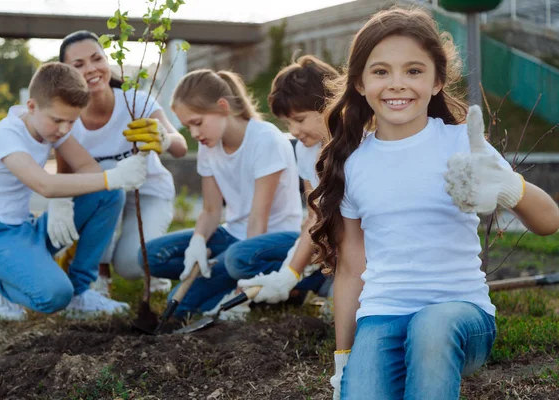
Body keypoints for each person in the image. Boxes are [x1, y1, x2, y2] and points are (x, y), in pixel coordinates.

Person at [308, 7, 559, 400]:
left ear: (437, 81)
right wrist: (344, 356)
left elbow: (549, 221)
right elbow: (352, 265)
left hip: (460, 314)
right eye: (380, 72)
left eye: (413, 71)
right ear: (359, 82)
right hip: (383, 316)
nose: (397, 84)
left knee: (431, 326)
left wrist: (509, 187)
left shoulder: (462, 145)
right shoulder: (354, 163)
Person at [0, 62, 151, 320]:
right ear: (31, 106)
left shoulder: (50, 129)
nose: (63, 129)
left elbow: (88, 167)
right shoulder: (6, 137)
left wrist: (70, 198)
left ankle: (80, 292)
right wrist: (110, 178)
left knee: (109, 194)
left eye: (72, 122)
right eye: (57, 120)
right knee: (54, 296)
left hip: (26, 230)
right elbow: (44, 184)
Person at [141, 69, 303, 319]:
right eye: (187, 127)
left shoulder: (265, 139)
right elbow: (211, 210)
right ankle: (225, 276)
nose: (194, 134)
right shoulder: (209, 146)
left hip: (271, 241)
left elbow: (258, 220)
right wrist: (197, 241)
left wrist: (241, 283)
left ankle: (293, 284)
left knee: (183, 309)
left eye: (197, 122)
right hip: (232, 236)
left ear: (223, 106)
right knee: (149, 256)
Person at [56, 30, 188, 295]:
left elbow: (181, 147)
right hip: (104, 199)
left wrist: (163, 138)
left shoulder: (135, 101)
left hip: (148, 193)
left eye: (96, 59)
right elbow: (66, 180)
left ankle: (160, 268)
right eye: (78, 65)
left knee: (131, 264)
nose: (91, 69)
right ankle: (100, 276)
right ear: (66, 74)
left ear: (107, 61)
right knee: (105, 174)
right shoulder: (66, 121)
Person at [237, 55, 339, 308]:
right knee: (239, 258)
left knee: (343, 301)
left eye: (300, 119)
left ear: (331, 105)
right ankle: (312, 281)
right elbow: (313, 216)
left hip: (359, 249)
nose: (293, 131)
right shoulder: (305, 150)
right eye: (287, 123)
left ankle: (328, 282)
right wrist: (289, 273)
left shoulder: (357, 146)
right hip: (327, 245)